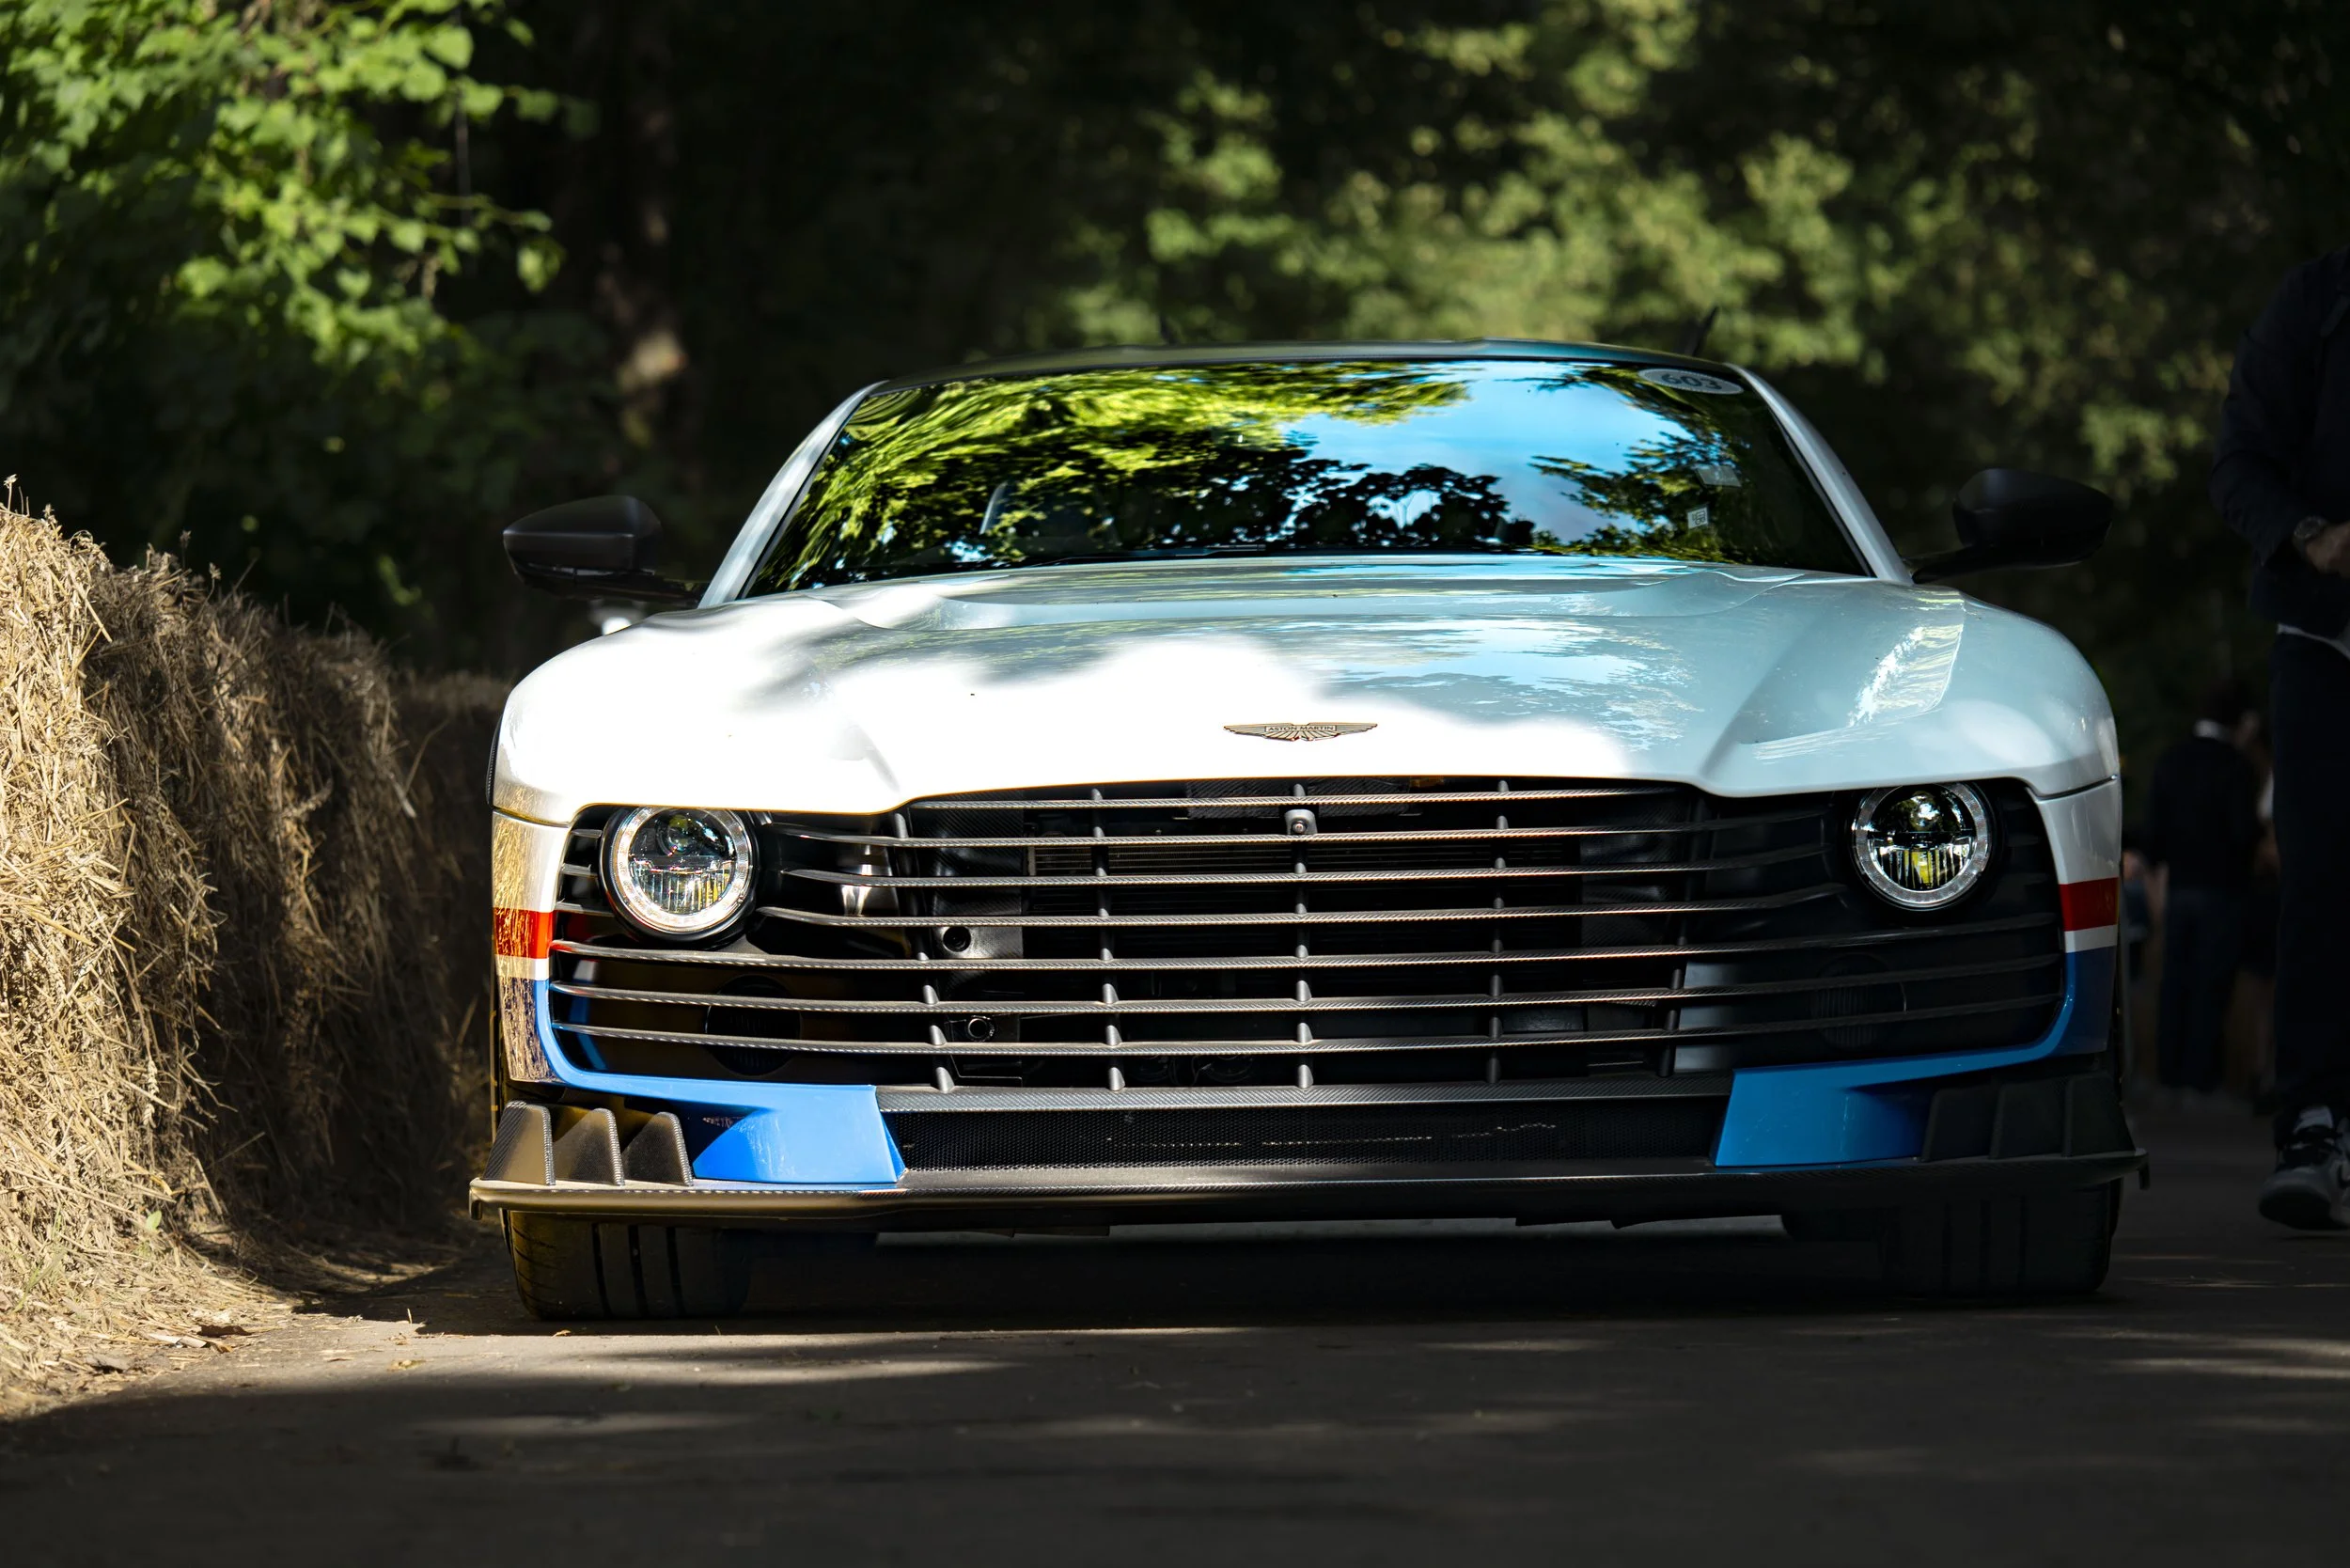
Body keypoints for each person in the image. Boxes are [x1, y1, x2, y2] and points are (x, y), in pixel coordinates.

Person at [2210, 242, 2350, 1229]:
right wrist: (2310, 535)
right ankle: (2311, 1122)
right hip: (2325, 641)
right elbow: (2238, 463)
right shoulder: (2319, 298)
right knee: (2322, 879)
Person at [2141, 681, 2262, 1101]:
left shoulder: (2173, 759)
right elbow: (2243, 830)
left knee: (2176, 980)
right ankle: (2202, 1076)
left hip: (2180, 885)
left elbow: (2154, 828)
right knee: (2213, 982)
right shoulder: (2235, 765)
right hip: (2223, 887)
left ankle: (2169, 1072)